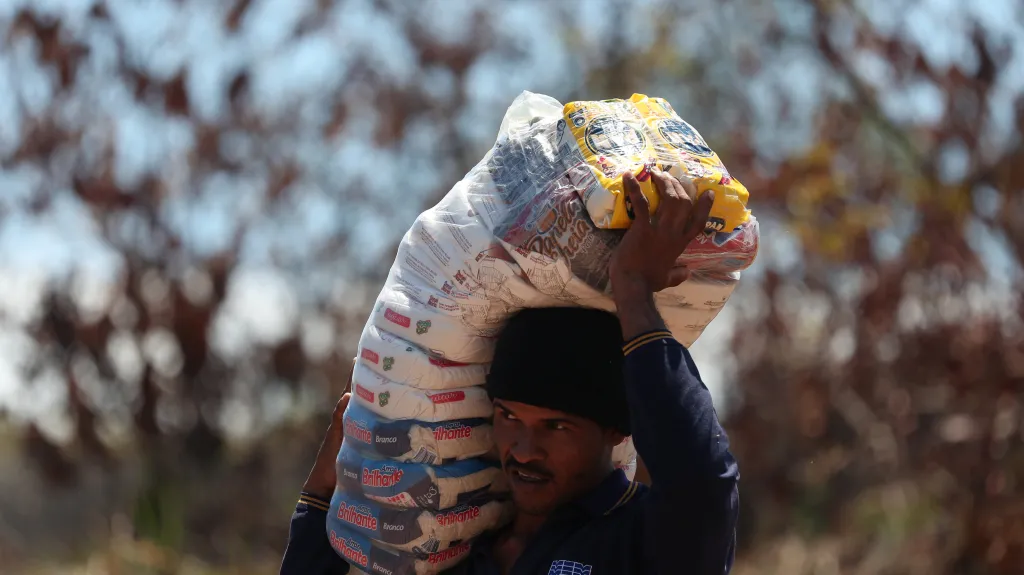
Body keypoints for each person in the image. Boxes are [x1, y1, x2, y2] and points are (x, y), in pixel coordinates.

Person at [280, 170, 739, 574]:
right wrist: (324, 491)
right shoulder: (455, 553)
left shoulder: (641, 542)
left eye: (556, 426)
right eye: (509, 417)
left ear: (616, 430)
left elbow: (704, 488)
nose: (522, 449)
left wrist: (633, 288)